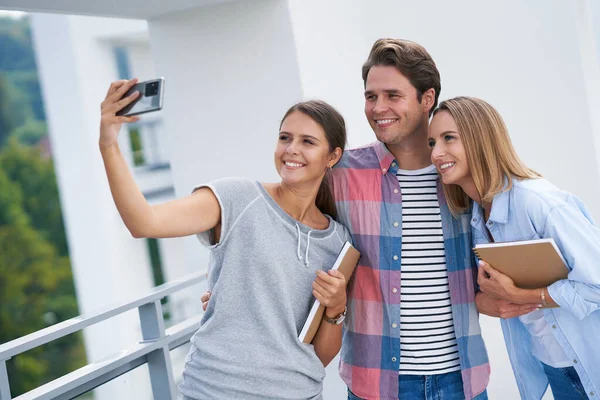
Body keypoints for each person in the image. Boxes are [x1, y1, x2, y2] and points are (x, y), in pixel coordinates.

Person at [204, 38, 492, 399]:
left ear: (427, 98)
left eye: (392, 95)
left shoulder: (460, 176)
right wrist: (234, 284)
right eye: (371, 96)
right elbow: (289, 225)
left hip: (462, 382)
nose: (378, 108)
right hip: (375, 384)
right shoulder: (339, 175)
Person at [99, 80, 353, 400]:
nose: (291, 149)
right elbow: (143, 222)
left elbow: (320, 356)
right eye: (285, 137)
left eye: (308, 141)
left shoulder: (337, 241)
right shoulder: (237, 197)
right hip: (215, 391)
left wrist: (337, 307)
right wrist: (108, 143)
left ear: (333, 156)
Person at [428, 96, 600, 400]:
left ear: (481, 139)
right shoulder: (477, 217)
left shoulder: (539, 202)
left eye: (449, 138)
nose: (437, 153)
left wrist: (524, 296)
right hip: (554, 366)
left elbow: (596, 286)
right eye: (432, 143)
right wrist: (487, 301)